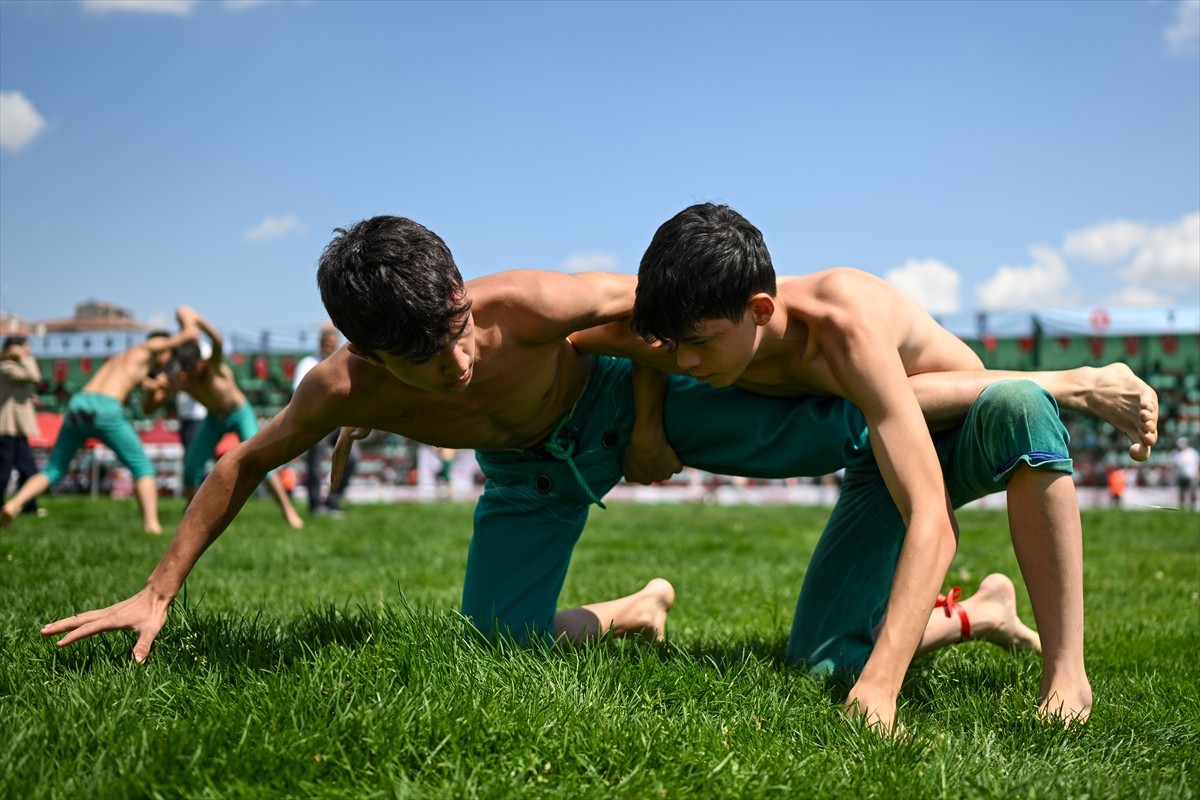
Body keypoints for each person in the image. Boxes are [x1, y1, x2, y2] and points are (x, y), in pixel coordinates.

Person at [41, 217, 1155, 730]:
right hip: (530, 472)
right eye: (429, 353)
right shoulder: (344, 391)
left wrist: (660, 422)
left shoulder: (526, 302)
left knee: (841, 416)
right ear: (371, 357)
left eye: (459, 322)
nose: (462, 352)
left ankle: (1039, 394)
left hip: (623, 409)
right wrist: (159, 586)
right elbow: (239, 466)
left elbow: (657, 322)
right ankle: (634, 609)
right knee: (493, 644)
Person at [587, 201, 1158, 732]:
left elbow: (932, 521)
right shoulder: (712, 324)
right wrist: (646, 428)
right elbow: (628, 343)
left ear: (760, 311)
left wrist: (881, 689)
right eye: (674, 342)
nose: (684, 360)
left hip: (960, 429)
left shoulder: (843, 323)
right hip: (876, 443)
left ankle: (1066, 676)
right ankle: (980, 612)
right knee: (821, 661)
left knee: (1020, 406)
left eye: (698, 344)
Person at [1, 318, 200, 533]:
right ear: (163, 346)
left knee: (53, 469)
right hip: (105, 408)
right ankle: (152, 527)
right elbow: (187, 336)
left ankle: (13, 504)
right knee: (143, 468)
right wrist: (190, 321)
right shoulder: (147, 348)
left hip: (78, 404)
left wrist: (155, 387)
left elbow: (145, 397)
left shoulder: (124, 360)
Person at [142, 307, 304, 530]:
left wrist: (197, 321)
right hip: (214, 419)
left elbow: (216, 339)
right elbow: (149, 408)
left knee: (263, 461)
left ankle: (288, 511)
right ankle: (192, 517)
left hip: (239, 412)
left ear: (201, 362)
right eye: (186, 371)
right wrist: (151, 389)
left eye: (192, 368)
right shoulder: (184, 380)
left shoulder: (213, 365)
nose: (190, 374)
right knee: (191, 469)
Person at [292, 325, 357, 517]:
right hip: (317, 421)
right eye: (326, 342)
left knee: (353, 459)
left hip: (339, 421)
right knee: (315, 464)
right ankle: (315, 506)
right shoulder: (308, 364)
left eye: (332, 342)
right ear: (320, 343)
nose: (329, 345)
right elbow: (298, 393)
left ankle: (333, 501)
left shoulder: (345, 364)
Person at [0, 335, 44, 517]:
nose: (29, 351)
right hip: (6, 428)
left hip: (16, 428)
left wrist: (28, 398)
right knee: (3, 471)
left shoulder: (14, 368)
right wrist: (26, 358)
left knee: (29, 470)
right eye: (25, 347)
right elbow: (34, 377)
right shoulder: (6, 367)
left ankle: (27, 506)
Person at [1171, 436, 1199, 510]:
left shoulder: (1192, 452)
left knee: (1192, 492)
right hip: (1181, 476)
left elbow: (1197, 464)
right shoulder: (1175, 453)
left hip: (1191, 476)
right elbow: (1174, 465)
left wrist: (1197, 474)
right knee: (1181, 493)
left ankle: (1193, 507)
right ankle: (1182, 507)